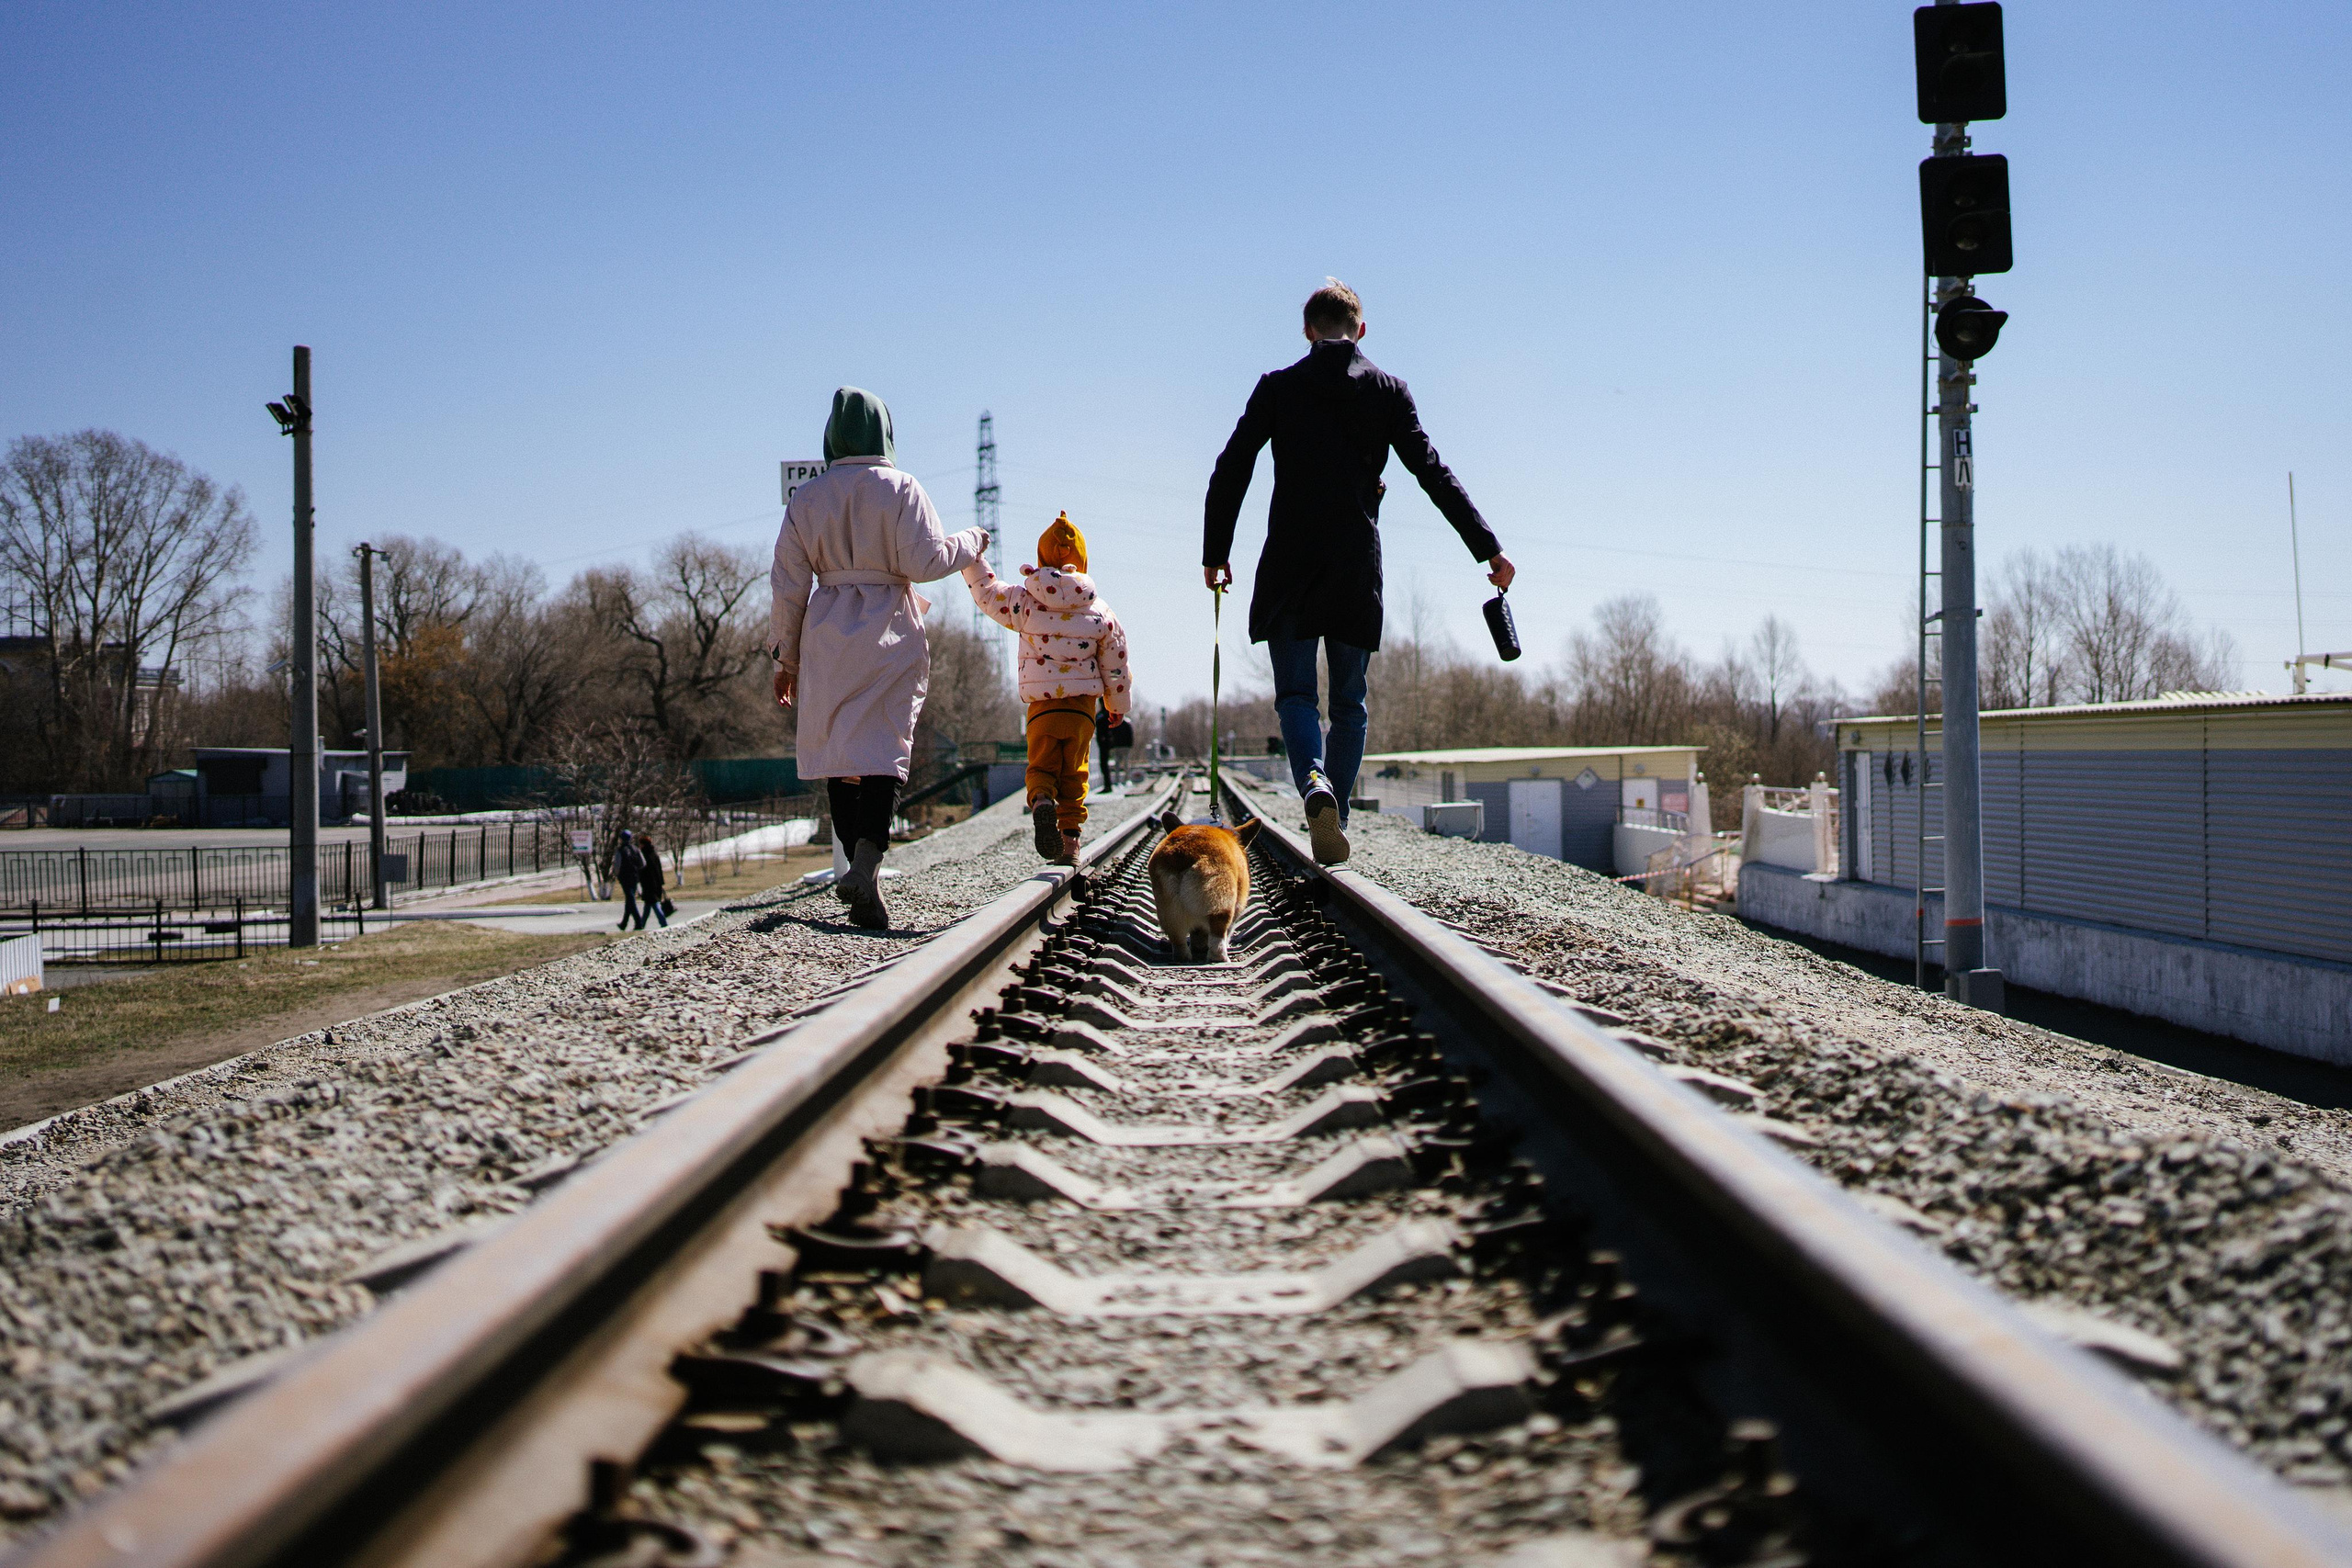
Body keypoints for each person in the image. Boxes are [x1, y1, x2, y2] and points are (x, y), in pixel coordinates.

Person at [1203, 278, 1514, 866]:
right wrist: (1487, 548)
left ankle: (1313, 783)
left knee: (1295, 695)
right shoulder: (1388, 391)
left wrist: (1215, 553)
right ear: (1362, 330)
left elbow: (1231, 468)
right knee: (1349, 706)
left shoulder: (1278, 388)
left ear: (1308, 330)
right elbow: (1432, 471)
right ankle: (1336, 815)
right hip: (1353, 569)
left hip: (1289, 565)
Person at [772, 387, 989, 929]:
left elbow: (788, 587)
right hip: (889, 628)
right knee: (885, 750)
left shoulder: (807, 499)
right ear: (885, 433)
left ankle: (855, 863)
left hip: (826, 633)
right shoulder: (901, 487)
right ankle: (867, 859)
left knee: (840, 755)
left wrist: (786, 658)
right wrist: (972, 541)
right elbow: (927, 559)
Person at [965, 512, 1132, 864]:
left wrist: (973, 558)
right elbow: (1116, 661)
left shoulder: (1025, 602)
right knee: (1075, 776)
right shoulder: (1099, 611)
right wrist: (1116, 705)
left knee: (1041, 768)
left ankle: (1041, 800)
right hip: (1082, 712)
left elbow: (988, 594)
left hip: (1042, 709)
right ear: (1082, 561)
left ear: (1041, 559)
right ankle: (1070, 846)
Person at [612, 829, 646, 931]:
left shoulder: (620, 850)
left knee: (630, 899)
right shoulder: (635, 849)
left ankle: (639, 922)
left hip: (625, 878)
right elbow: (643, 863)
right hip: (635, 877)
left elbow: (617, 866)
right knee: (629, 899)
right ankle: (624, 923)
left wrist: (616, 874)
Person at [637, 835, 670, 928]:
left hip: (648, 884)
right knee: (648, 906)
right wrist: (661, 883)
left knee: (654, 904)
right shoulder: (654, 854)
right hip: (656, 883)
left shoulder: (644, 855)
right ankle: (641, 924)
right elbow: (659, 870)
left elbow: (643, 871)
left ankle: (663, 923)